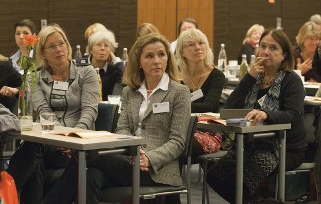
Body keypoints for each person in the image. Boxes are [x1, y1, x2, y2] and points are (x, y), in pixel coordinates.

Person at [41, 33, 191, 204]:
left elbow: (178, 141)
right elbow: (122, 129)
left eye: (161, 55)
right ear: (139, 62)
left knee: (87, 153)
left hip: (156, 168)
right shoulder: (130, 92)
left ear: (168, 59)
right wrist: (133, 149)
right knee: (90, 176)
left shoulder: (179, 92)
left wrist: (149, 158)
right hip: (126, 158)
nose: (157, 60)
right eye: (149, 56)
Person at [207, 29, 307, 203]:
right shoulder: (255, 78)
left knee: (244, 177)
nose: (266, 52)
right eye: (263, 46)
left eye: (273, 48)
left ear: (284, 55)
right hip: (253, 143)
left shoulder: (291, 80)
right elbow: (229, 107)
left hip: (284, 147)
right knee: (215, 174)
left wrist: (266, 114)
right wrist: (249, 77)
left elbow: (293, 115)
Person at [7, 25, 99, 204]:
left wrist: (73, 138)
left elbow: (90, 111)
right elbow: (44, 111)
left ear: (67, 45)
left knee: (38, 161)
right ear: (42, 52)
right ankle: (6, 192)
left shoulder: (86, 72)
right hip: (50, 142)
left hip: (81, 142)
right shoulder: (33, 77)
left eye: (61, 43)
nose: (58, 49)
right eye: (52, 46)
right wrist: (61, 139)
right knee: (33, 148)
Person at [176, 28, 225, 161]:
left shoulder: (217, 76)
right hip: (178, 128)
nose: (198, 48)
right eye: (191, 45)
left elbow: (209, 106)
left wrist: (178, 107)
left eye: (201, 43)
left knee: (176, 145)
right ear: (182, 52)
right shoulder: (175, 75)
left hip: (208, 131)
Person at [87, 30, 124, 100]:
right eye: (98, 45)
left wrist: (115, 60)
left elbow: (127, 83)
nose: (103, 48)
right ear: (91, 49)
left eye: (106, 46)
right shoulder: (82, 67)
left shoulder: (113, 70)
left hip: (105, 108)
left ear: (111, 50)